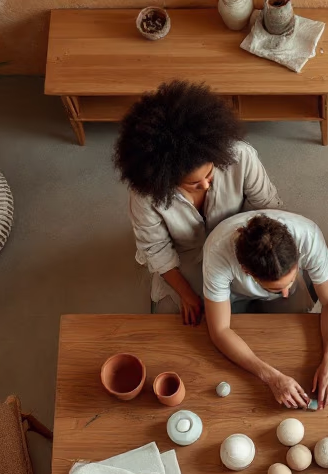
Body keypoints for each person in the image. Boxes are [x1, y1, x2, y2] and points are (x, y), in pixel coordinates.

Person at [115, 80, 282, 327]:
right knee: (185, 323)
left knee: (284, 299)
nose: (205, 186)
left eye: (210, 174)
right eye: (193, 183)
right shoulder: (145, 193)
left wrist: (261, 252)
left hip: (240, 241)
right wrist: (187, 294)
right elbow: (156, 249)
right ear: (164, 180)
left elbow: (269, 208)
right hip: (187, 259)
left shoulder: (240, 156)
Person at [202, 210, 328, 409]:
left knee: (296, 315)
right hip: (235, 293)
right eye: (277, 288)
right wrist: (271, 377)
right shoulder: (216, 253)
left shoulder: (308, 235)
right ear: (246, 270)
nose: (285, 293)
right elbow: (219, 331)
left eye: (291, 279)